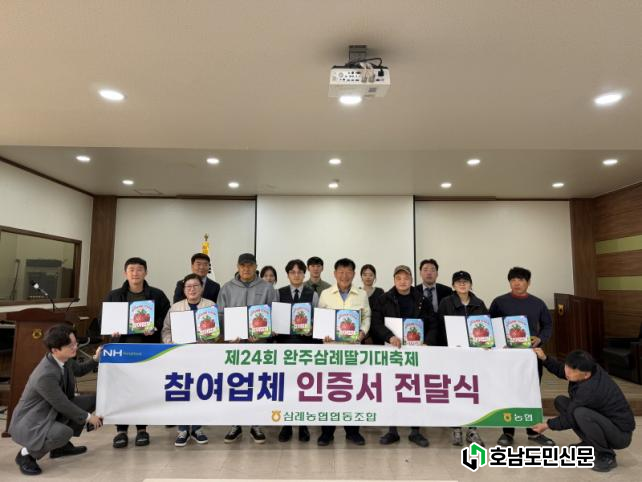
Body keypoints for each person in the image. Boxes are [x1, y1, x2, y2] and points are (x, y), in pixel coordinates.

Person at [10, 324, 103, 476]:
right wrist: (88, 418)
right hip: (33, 420)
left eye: (75, 343)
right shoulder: (45, 374)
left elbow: (79, 370)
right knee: (63, 433)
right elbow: (62, 404)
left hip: (51, 410)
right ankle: (26, 454)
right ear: (55, 350)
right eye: (70, 345)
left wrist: (95, 359)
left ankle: (60, 448)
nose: (75, 347)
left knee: (91, 401)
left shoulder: (64, 359)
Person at [103, 256, 170, 449]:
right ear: (125, 273)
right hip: (122, 350)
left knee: (143, 390)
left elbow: (166, 318)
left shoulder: (157, 295)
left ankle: (142, 429)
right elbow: (102, 320)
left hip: (147, 350)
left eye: (139, 269)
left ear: (146, 272)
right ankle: (121, 431)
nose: (135, 273)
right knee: (122, 391)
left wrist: (155, 328)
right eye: (131, 269)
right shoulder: (114, 295)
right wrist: (111, 330)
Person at [531, 349, 635, 473]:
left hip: (620, 434)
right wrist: (545, 358)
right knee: (561, 402)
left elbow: (570, 418)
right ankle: (590, 443)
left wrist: (547, 425)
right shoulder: (586, 369)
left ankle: (606, 455)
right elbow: (562, 370)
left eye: (572, 372)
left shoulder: (589, 389)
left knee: (580, 413)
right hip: (603, 419)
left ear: (586, 375)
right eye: (567, 367)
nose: (567, 372)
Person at [371, 265, 438, 447]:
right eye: (399, 278)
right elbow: (376, 323)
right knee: (391, 389)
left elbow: (433, 324)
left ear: (412, 280)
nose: (402, 281)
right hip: (392, 351)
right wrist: (389, 336)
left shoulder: (422, 300)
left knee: (415, 390)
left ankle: (415, 431)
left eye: (406, 278)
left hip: (415, 353)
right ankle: (392, 431)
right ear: (394, 280)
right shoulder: (383, 299)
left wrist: (427, 342)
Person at [489, 266, 555, 447]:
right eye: (513, 280)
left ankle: (533, 432)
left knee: (531, 392)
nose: (516, 283)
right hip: (506, 356)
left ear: (528, 282)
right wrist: (498, 342)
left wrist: (540, 339)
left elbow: (548, 325)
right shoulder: (499, 302)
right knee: (507, 392)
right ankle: (507, 433)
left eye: (521, 280)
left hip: (530, 356)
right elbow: (491, 325)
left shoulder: (538, 303)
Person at [218, 253, 277, 444]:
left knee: (258, 385)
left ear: (256, 266)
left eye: (250, 265)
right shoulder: (227, 288)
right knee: (236, 385)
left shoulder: (267, 287)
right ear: (237, 267)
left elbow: (274, 316)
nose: (246, 269)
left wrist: (263, 334)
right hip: (234, 347)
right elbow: (220, 315)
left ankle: (256, 424)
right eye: (243, 265)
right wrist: (228, 335)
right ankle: (235, 424)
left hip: (258, 346)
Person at [317, 258, 371, 446]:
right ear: (334, 274)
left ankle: (353, 432)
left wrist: (362, 332)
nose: (344, 276)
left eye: (348, 272)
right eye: (341, 272)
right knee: (329, 391)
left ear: (354, 274)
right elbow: (320, 318)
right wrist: (323, 334)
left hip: (352, 350)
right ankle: (327, 433)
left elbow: (366, 317)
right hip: (331, 350)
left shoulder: (361, 294)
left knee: (353, 390)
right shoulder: (325, 294)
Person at [162, 273, 218, 447]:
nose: (192, 289)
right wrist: (171, 343)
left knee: (200, 392)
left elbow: (218, 332)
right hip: (181, 356)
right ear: (184, 289)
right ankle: (183, 429)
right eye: (188, 286)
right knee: (183, 391)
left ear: (202, 288)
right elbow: (166, 330)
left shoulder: (210, 306)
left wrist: (211, 336)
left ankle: (197, 429)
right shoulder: (175, 308)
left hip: (203, 356)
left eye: (195, 286)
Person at [437, 270, 487, 447]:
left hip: (474, 356)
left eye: (466, 281)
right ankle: (456, 428)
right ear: (453, 286)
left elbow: (485, 327)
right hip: (453, 355)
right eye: (458, 282)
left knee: (473, 392)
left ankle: (473, 430)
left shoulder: (479, 303)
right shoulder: (446, 303)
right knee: (454, 390)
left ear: (471, 284)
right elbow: (440, 327)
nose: (462, 284)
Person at [274, 259, 320, 443]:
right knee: (286, 387)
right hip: (284, 347)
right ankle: (286, 425)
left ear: (304, 274)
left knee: (304, 388)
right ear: (287, 275)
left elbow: (317, 319)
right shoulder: (279, 293)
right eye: (292, 272)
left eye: (300, 272)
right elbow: (274, 318)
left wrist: (313, 328)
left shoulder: (312, 294)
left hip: (305, 346)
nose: (296, 275)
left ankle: (303, 426)